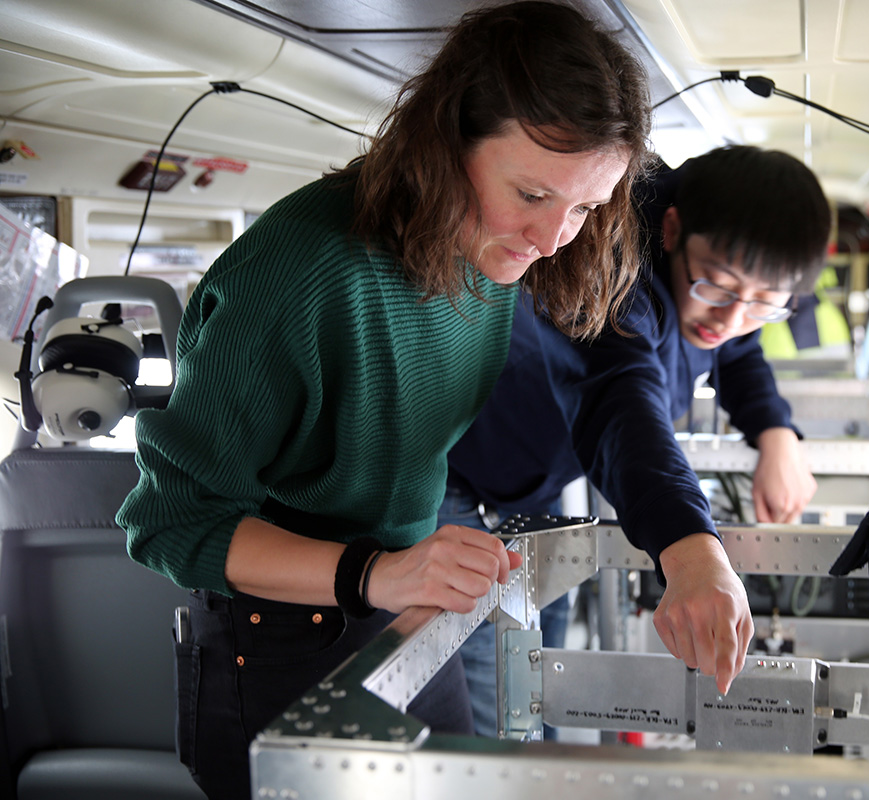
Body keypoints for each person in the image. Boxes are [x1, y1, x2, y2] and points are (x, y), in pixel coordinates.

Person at [115, 3, 650, 797]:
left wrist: (409, 569)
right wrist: (377, 572)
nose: (551, 239)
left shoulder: (485, 250)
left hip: (405, 609)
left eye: (583, 208)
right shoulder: (300, 274)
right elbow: (169, 523)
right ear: (448, 142)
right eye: (534, 194)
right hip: (280, 641)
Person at [445, 144, 832, 735]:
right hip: (457, 469)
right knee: (499, 696)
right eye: (719, 289)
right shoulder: (614, 267)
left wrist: (776, 432)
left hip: (530, 484)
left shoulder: (714, 283)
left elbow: (736, 346)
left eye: (761, 306)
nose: (728, 319)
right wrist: (690, 546)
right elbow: (625, 405)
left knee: (537, 670)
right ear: (673, 229)